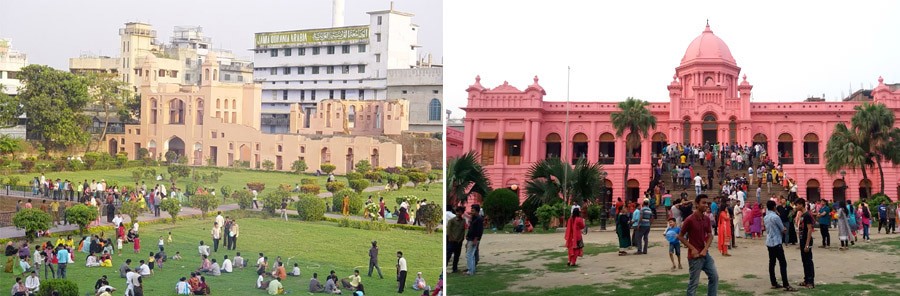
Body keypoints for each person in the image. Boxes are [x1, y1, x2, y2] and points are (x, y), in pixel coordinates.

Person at [678, 194, 718, 296]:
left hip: (705, 254)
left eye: (707, 203)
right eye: (703, 203)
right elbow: (681, 236)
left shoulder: (706, 219)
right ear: (696, 204)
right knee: (693, 284)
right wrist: (692, 248)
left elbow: (710, 235)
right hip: (694, 257)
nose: (706, 206)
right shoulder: (690, 219)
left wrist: (705, 249)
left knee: (714, 277)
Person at [764, 200, 796, 291]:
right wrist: (784, 229)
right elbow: (782, 229)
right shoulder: (775, 217)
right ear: (774, 207)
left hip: (769, 242)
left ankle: (773, 282)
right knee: (782, 263)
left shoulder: (766, 217)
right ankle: (786, 284)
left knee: (772, 263)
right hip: (776, 241)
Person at [796, 198, 816, 289]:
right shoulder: (803, 215)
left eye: (797, 205)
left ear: (801, 204)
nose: (796, 207)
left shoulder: (807, 215)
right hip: (802, 240)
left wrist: (807, 244)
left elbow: (809, 229)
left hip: (806, 240)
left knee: (808, 261)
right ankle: (806, 280)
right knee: (804, 261)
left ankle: (811, 281)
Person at [465, 204, 484, 275]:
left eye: (473, 210)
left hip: (473, 239)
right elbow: (470, 229)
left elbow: (479, 230)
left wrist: (476, 239)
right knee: (471, 255)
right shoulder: (474, 218)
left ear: (477, 211)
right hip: (470, 238)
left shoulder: (479, 219)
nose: (471, 212)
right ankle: (472, 270)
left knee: (469, 255)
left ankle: (470, 270)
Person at [446, 206, 466, 274]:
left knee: (457, 256)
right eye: (457, 212)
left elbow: (463, 231)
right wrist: (451, 238)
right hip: (452, 241)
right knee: (448, 255)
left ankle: (455, 269)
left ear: (462, 213)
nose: (458, 213)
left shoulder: (463, 221)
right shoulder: (451, 221)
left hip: (459, 241)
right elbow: (449, 231)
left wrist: (461, 239)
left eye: (460, 212)